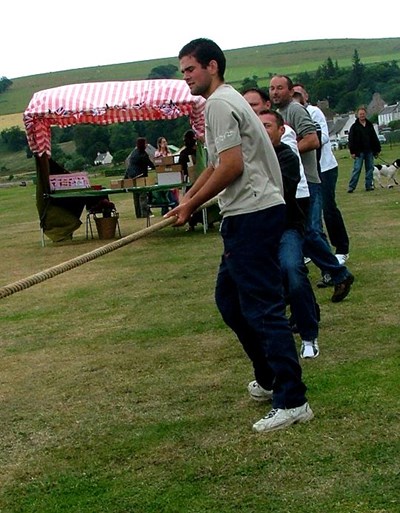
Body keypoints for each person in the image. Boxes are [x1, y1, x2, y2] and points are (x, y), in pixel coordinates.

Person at [166, 38, 313, 432]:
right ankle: (269, 378)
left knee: (262, 307)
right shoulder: (222, 102)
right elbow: (216, 165)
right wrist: (188, 200)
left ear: (212, 66)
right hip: (245, 214)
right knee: (229, 300)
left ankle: (293, 399)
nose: (186, 78)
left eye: (190, 70)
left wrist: (193, 205)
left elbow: (231, 167)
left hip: (253, 213)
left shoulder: (219, 104)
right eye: (182, 72)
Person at [269, 75, 354, 302]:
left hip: (307, 180)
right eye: (271, 88)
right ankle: (334, 273)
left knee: (310, 231)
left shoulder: (295, 110)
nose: (275, 92)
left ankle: (336, 272)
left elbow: (313, 140)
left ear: (290, 91)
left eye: (279, 88)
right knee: (304, 234)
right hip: (293, 184)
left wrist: (284, 154)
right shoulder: (278, 115)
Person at [258, 108, 320, 359]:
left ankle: (308, 336)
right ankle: (267, 341)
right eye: (258, 125)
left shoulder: (287, 156)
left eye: (268, 126)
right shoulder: (248, 156)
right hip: (257, 232)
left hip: (286, 228)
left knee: (293, 272)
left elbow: (279, 190)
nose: (262, 130)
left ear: (281, 131)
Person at [293, 83, 350, 267]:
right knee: (308, 216)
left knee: (328, 207)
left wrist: (299, 142)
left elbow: (322, 137)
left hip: (325, 166)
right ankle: (312, 251)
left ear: (306, 96)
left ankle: (341, 249)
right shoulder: (291, 114)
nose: (295, 96)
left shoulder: (313, 111)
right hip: (307, 170)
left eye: (298, 93)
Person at [347, 106, 381, 193]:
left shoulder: (370, 125)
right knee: (357, 169)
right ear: (357, 115)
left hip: (369, 151)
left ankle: (369, 185)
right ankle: (351, 187)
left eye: (363, 114)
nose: (362, 115)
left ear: (365, 114)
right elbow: (351, 140)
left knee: (370, 169)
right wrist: (352, 152)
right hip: (359, 152)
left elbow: (374, 138)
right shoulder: (354, 127)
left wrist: (377, 150)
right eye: (360, 114)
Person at [125, 137, 155, 217]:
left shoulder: (134, 152)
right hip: (140, 176)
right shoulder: (143, 154)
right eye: (145, 143)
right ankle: (145, 213)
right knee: (143, 195)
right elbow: (150, 164)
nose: (146, 145)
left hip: (131, 176)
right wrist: (157, 167)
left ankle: (138, 214)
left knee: (136, 196)